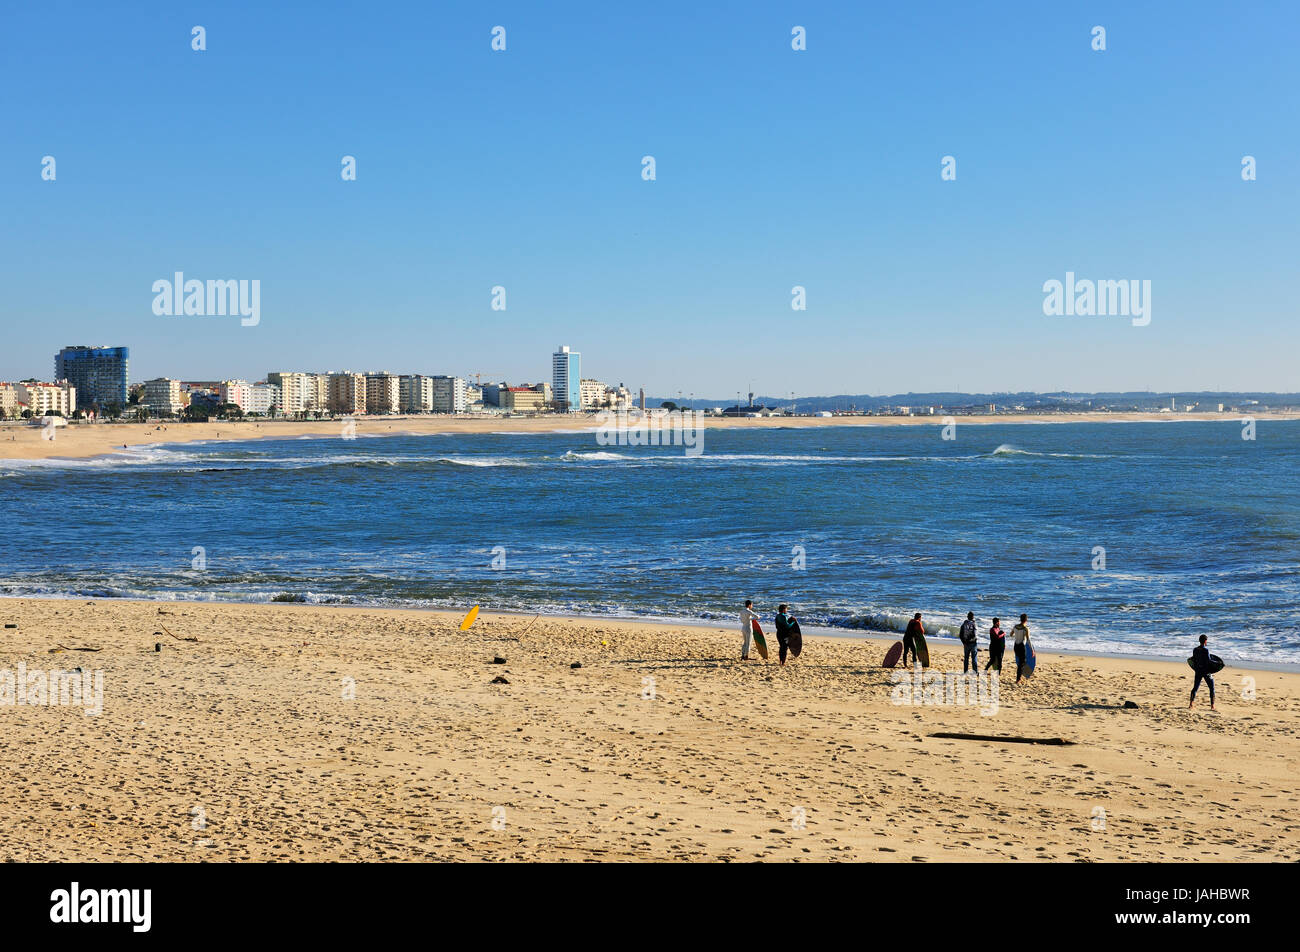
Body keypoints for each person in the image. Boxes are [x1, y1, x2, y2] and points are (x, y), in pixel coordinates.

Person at [1190, 634, 1216, 710]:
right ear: (1205, 641)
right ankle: (1212, 706)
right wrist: (1217, 663)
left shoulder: (1195, 650)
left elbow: (1194, 660)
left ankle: (1191, 704)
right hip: (1206, 672)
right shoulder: (1206, 650)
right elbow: (1209, 661)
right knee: (1212, 688)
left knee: (1195, 688)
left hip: (1198, 671)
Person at [1011, 614, 1030, 683]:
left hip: (1016, 645)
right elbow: (1028, 640)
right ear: (1026, 620)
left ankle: (1020, 675)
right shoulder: (1026, 628)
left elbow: (1011, 635)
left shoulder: (1015, 626)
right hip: (1021, 646)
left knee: (1021, 662)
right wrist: (1032, 650)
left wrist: (1017, 635)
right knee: (1021, 663)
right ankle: (1018, 679)